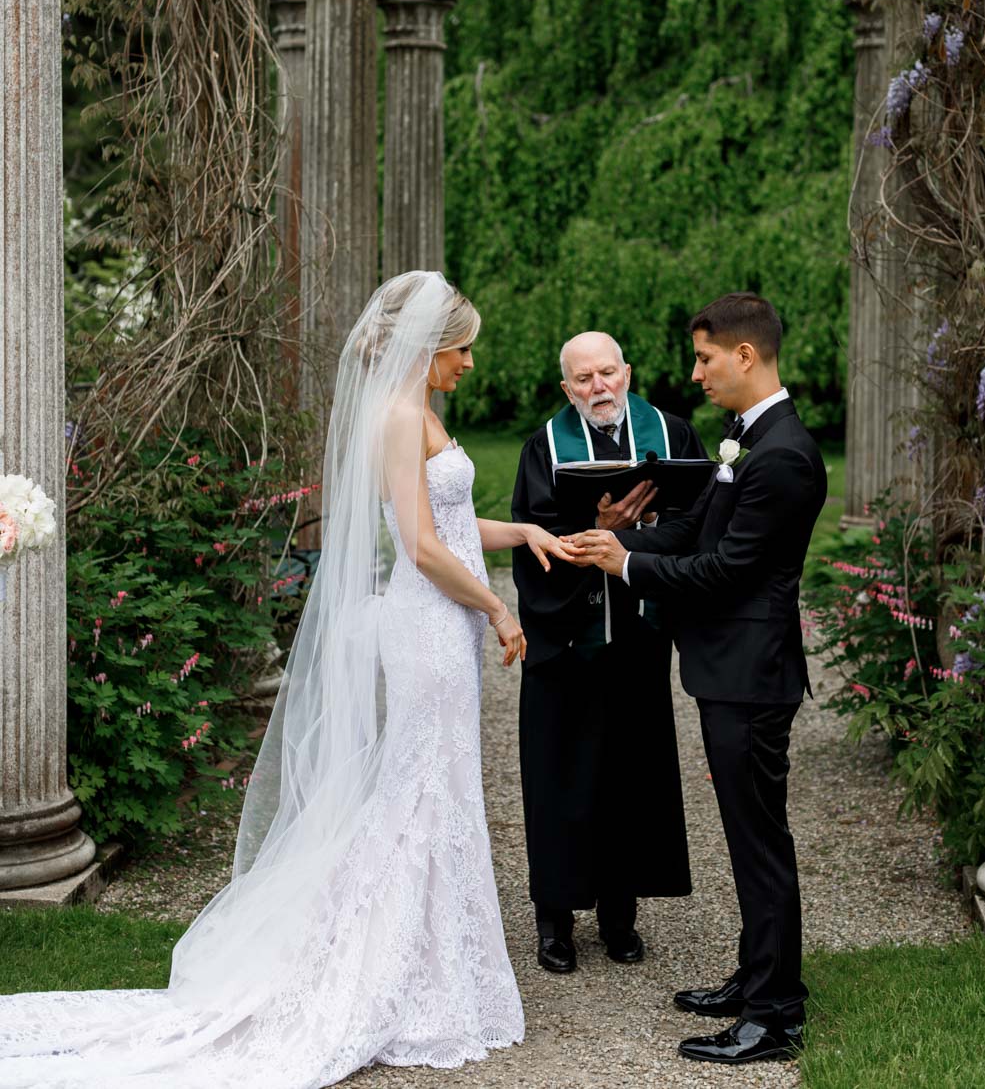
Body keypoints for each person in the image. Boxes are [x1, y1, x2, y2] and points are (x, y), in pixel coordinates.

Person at [0, 272, 574, 1089]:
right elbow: (417, 546)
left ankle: (434, 968)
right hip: (428, 623)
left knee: (438, 791)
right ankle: (374, 972)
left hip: (444, 626)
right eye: (465, 349)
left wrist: (518, 531)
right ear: (431, 348)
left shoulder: (424, 416)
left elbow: (447, 523)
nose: (472, 364)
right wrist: (498, 608)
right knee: (416, 795)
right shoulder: (400, 418)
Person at [566, 294, 827, 1066]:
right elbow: (702, 529)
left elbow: (726, 570)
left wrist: (630, 567)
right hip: (731, 673)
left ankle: (774, 1017)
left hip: (752, 677)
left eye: (706, 358)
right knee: (752, 840)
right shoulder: (747, 441)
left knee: (759, 846)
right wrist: (624, 534)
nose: (696, 372)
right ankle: (757, 979)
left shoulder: (782, 456)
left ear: (746, 356)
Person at [510, 331, 704, 975]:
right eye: (584, 379)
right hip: (568, 643)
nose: (599, 387)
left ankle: (621, 915)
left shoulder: (672, 435)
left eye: (608, 373)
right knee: (560, 776)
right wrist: (600, 533)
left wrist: (640, 535)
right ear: (567, 388)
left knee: (630, 774)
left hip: (640, 641)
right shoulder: (546, 447)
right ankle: (556, 920)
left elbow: (703, 526)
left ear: (627, 371)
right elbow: (530, 546)